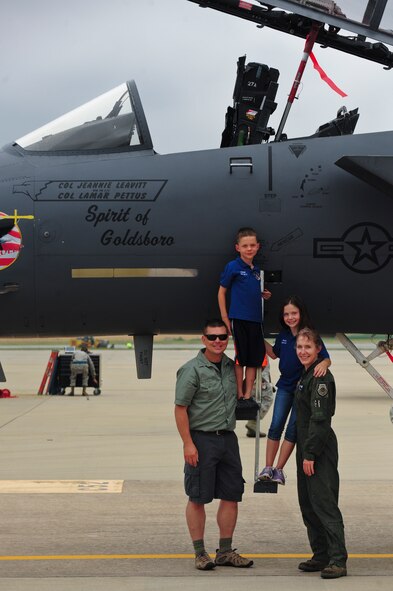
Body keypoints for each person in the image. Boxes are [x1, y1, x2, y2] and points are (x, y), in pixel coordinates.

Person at [174, 319, 253, 571]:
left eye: (222, 337)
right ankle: (200, 553)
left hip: (228, 439)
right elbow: (180, 409)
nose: (218, 341)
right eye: (212, 337)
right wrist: (188, 444)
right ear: (203, 339)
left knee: (231, 495)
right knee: (198, 496)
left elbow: (246, 385)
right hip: (202, 439)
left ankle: (225, 551)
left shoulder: (232, 367)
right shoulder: (192, 370)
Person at [259, 296, 330, 485]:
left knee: (292, 431)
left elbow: (325, 357)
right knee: (275, 426)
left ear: (301, 313)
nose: (290, 317)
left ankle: (279, 470)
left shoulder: (310, 335)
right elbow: (274, 354)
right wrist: (256, 336)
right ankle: (268, 467)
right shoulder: (282, 335)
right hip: (284, 387)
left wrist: (323, 363)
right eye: (286, 314)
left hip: (301, 390)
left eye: (294, 313)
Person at [295, 327, 348, 579]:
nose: (303, 352)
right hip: (306, 447)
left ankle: (337, 560)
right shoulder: (305, 376)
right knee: (308, 504)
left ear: (318, 350)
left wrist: (311, 454)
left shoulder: (321, 378)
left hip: (319, 448)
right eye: (299, 347)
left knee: (324, 504)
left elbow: (321, 421)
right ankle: (321, 555)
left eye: (308, 347)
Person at [218, 227, 271, 400]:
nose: (249, 249)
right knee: (241, 357)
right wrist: (225, 317)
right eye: (245, 245)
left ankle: (248, 393)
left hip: (256, 320)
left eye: (252, 245)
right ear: (238, 248)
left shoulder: (256, 270)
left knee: (254, 359)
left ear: (257, 247)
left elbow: (251, 291)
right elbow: (221, 292)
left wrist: (264, 294)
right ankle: (239, 392)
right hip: (239, 318)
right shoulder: (232, 266)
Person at [245, 358, 275, 438]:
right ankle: (253, 422)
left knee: (256, 400)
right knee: (267, 399)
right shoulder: (259, 347)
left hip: (257, 376)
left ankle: (252, 427)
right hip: (259, 376)